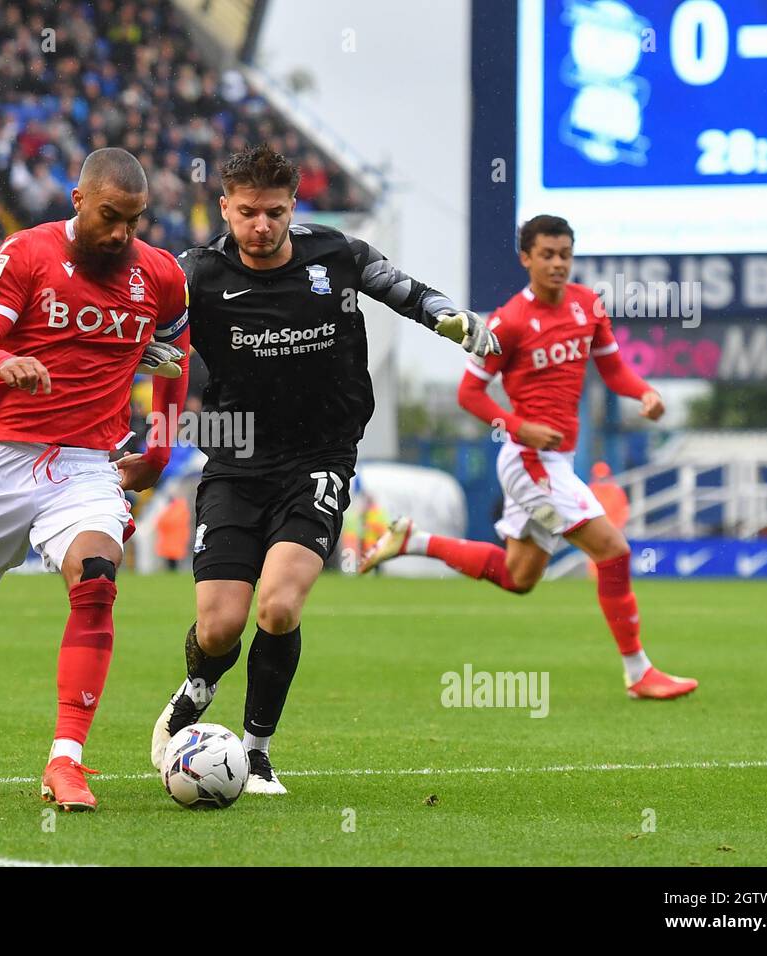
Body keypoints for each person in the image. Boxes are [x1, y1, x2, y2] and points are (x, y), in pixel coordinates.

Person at [148, 144, 500, 793]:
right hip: (234, 457)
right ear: (224, 207)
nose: (261, 226)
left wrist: (456, 321)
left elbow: (409, 292)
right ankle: (197, 688)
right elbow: (141, 329)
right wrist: (143, 362)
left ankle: (255, 751)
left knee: (278, 607)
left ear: (293, 209)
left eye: (274, 213)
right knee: (219, 626)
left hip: (320, 457)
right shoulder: (194, 272)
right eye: (247, 212)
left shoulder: (335, 255)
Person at [0, 147, 189, 811]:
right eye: (111, 217)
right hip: (3, 457)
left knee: (96, 584)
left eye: (135, 221)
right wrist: (4, 363)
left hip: (87, 464)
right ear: (78, 200)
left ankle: (67, 761)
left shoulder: (160, 277)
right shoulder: (26, 254)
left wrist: (160, 447)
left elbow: (177, 355)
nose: (122, 233)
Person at [360, 214, 697, 702]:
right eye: (547, 255)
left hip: (556, 463)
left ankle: (416, 539)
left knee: (520, 577)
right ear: (526, 258)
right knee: (614, 550)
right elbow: (469, 395)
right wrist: (519, 425)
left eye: (565, 254)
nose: (558, 264)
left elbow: (615, 369)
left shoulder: (589, 307)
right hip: (530, 464)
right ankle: (638, 672)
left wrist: (643, 393)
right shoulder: (508, 322)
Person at [154, 493, 191, 571]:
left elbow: (163, 522)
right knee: (172, 559)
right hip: (175, 538)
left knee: (172, 560)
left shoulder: (175, 509)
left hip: (173, 538)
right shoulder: (180, 508)